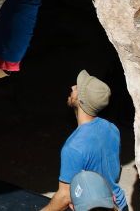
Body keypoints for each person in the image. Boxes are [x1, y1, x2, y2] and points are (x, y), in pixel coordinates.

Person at [41, 70, 128, 211]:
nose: (73, 87)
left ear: (81, 101)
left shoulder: (73, 148)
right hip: (119, 205)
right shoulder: (112, 128)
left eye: (77, 88)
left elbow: (65, 197)